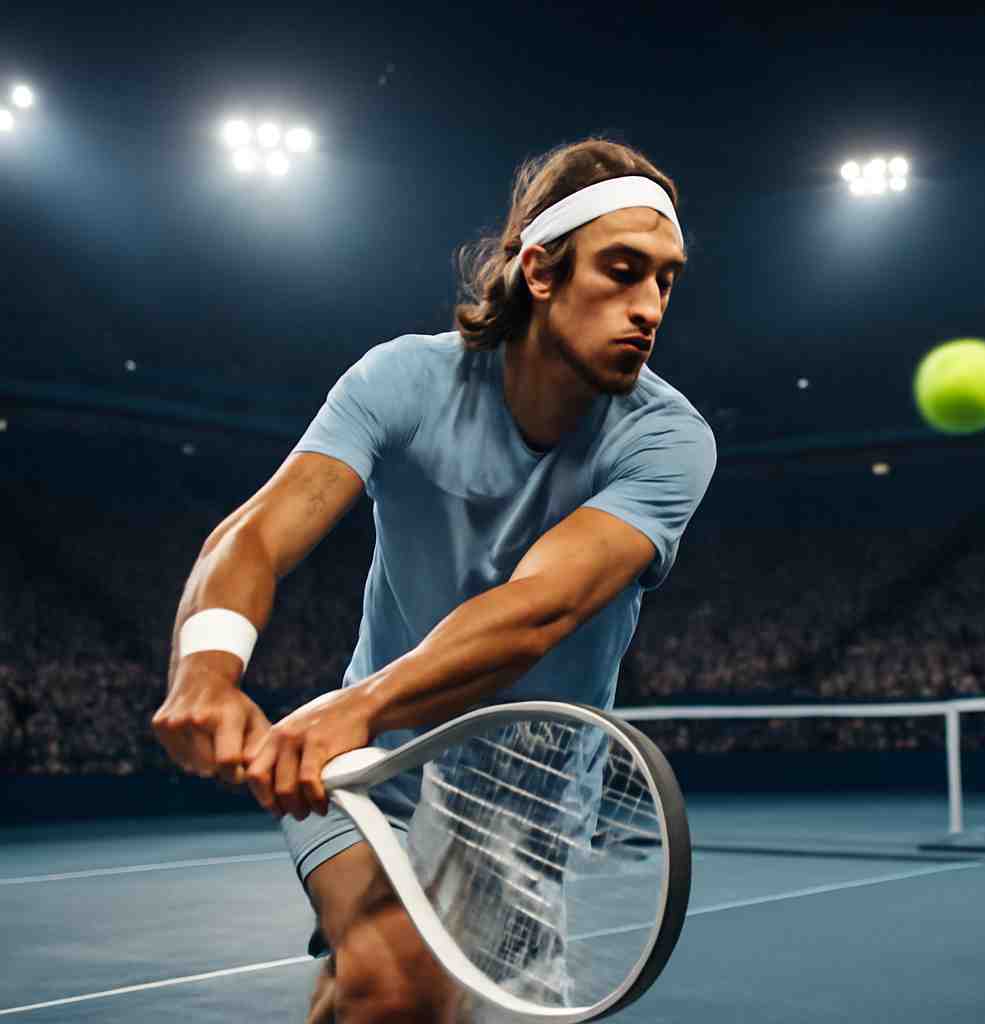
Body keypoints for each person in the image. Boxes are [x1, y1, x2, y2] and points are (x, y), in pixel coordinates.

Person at [151, 138, 715, 1022]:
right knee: (398, 987)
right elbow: (258, 533)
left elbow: (536, 612)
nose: (649, 307)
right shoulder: (402, 380)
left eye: (666, 281)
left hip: (522, 804)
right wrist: (206, 672)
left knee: (372, 1000)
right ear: (539, 270)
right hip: (371, 772)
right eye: (621, 270)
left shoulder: (669, 441)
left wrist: (359, 705)